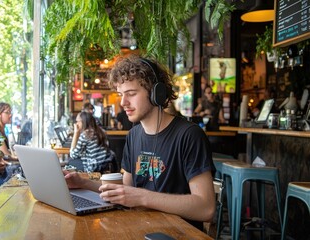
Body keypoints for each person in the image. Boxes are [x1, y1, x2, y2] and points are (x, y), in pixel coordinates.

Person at [63, 55, 215, 230]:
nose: (123, 102)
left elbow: (206, 208)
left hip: (176, 233)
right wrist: (83, 183)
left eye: (131, 94)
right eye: (121, 95)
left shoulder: (189, 135)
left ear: (155, 93)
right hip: (140, 228)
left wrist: (143, 197)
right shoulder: (134, 135)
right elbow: (126, 191)